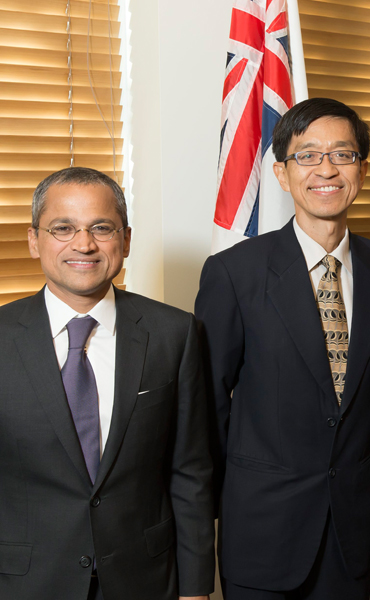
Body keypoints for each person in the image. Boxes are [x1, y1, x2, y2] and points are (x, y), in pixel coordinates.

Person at [195, 98, 370, 600]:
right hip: (262, 531)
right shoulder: (235, 273)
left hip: (349, 533)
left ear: (361, 168)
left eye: (342, 154)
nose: (326, 169)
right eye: (308, 155)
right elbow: (205, 406)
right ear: (280, 172)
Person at [0, 167, 215, 600]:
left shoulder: (175, 333)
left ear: (126, 240)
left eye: (101, 227)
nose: (84, 244)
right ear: (33, 239)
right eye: (63, 228)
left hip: (145, 579)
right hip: (25, 581)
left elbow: (190, 472)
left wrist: (195, 588)